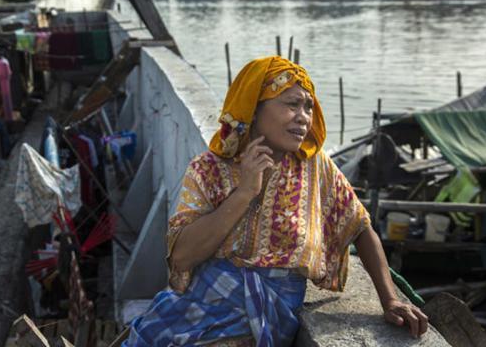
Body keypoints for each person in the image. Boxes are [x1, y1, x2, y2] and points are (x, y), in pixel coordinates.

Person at [124, 56, 428, 346]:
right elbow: (182, 257)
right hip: (201, 304)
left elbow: (361, 228)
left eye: (308, 107)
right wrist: (245, 192)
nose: (304, 118)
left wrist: (390, 299)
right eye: (291, 104)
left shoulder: (314, 166)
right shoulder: (209, 169)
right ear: (253, 108)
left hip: (270, 315)